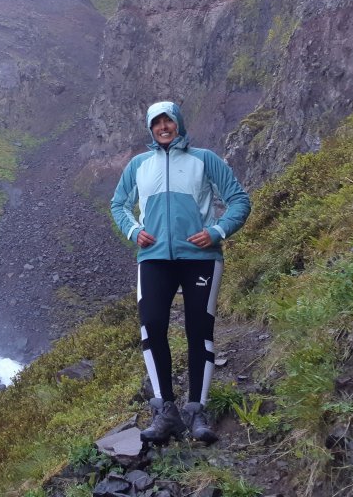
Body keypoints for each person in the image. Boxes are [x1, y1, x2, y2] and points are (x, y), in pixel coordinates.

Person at [110, 100, 251, 445]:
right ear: (150, 128)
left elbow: (239, 200)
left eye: (168, 121)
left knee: (199, 329)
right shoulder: (139, 165)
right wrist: (132, 231)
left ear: (179, 123)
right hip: (154, 257)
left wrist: (216, 232)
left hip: (200, 257)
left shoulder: (205, 160)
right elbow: (118, 204)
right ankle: (165, 411)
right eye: (156, 123)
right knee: (152, 326)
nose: (163, 127)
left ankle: (196, 411)